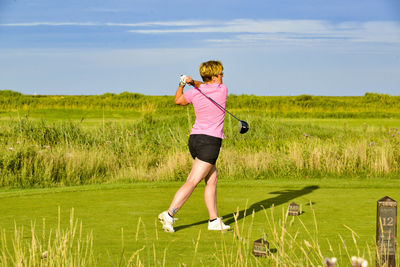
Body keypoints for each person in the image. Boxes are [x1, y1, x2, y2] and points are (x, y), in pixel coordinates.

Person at [158, 60, 230, 233]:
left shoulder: (195, 92)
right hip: (210, 142)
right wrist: (193, 82)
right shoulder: (222, 89)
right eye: (220, 74)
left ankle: (213, 220)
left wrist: (183, 84)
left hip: (195, 140)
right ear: (213, 77)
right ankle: (169, 214)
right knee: (192, 180)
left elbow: (178, 100)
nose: (222, 77)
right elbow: (206, 85)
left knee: (212, 178)